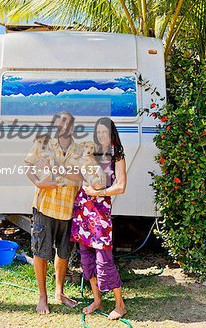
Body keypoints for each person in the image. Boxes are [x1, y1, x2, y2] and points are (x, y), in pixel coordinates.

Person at [25, 111, 82, 314]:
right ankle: (43, 297)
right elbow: (28, 167)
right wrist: (39, 182)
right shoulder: (43, 142)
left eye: (67, 122)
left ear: (72, 127)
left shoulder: (80, 149)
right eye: (60, 122)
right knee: (40, 252)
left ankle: (59, 292)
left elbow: (80, 175)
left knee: (64, 252)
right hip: (45, 207)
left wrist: (58, 168)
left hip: (68, 209)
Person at [70, 117, 127, 320]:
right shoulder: (91, 154)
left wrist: (98, 193)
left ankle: (120, 305)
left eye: (105, 132)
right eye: (99, 132)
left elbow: (121, 186)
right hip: (83, 211)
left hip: (101, 214)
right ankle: (97, 299)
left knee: (105, 259)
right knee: (87, 258)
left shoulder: (117, 156)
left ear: (112, 134)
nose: (101, 135)